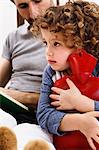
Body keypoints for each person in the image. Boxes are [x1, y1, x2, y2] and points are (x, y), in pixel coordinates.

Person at [35, 1, 99, 150]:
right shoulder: (51, 73)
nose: (48, 52)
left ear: (80, 43)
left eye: (56, 44)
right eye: (46, 43)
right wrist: (78, 121)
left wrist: (85, 104)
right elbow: (43, 114)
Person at [0, 0, 54, 124]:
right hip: (7, 110)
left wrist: (19, 97)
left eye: (38, 1)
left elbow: (68, 100)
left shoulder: (70, 35)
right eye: (23, 6)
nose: (33, 14)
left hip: (36, 115)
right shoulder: (14, 37)